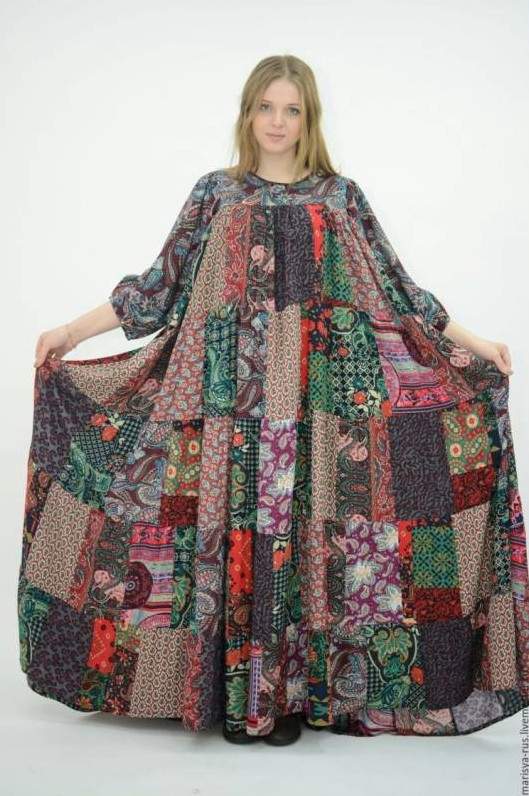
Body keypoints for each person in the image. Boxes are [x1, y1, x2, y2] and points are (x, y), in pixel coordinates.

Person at [20, 54, 527, 749]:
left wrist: (475, 344)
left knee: (310, 546)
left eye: (292, 110)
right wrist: (69, 333)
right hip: (225, 403)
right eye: (266, 108)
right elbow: (155, 290)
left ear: (309, 118)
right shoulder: (216, 193)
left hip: (318, 408)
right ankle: (232, 696)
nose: (278, 122)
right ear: (247, 113)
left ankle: (285, 698)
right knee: (224, 541)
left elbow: (400, 293)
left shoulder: (340, 197)